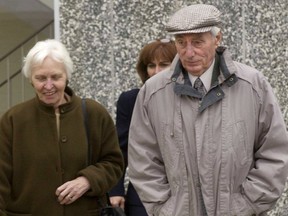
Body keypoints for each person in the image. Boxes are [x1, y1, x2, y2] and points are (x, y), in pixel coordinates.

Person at [128, 4, 288, 216]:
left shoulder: (252, 85)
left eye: (197, 42)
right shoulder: (153, 92)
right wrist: (165, 208)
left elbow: (274, 152)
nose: (189, 52)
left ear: (217, 39)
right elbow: (143, 160)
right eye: (181, 43)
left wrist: (247, 206)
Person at [0, 39, 124, 216]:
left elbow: (114, 163)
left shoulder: (94, 113)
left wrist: (88, 180)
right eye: (41, 78)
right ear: (30, 80)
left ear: (67, 75)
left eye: (56, 77)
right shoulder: (13, 120)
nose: (48, 86)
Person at [109, 39, 177, 215]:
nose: (156, 72)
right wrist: (115, 191)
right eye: (151, 66)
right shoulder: (130, 100)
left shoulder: (189, 100)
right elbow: (120, 149)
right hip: (142, 194)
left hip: (183, 192)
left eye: (164, 65)